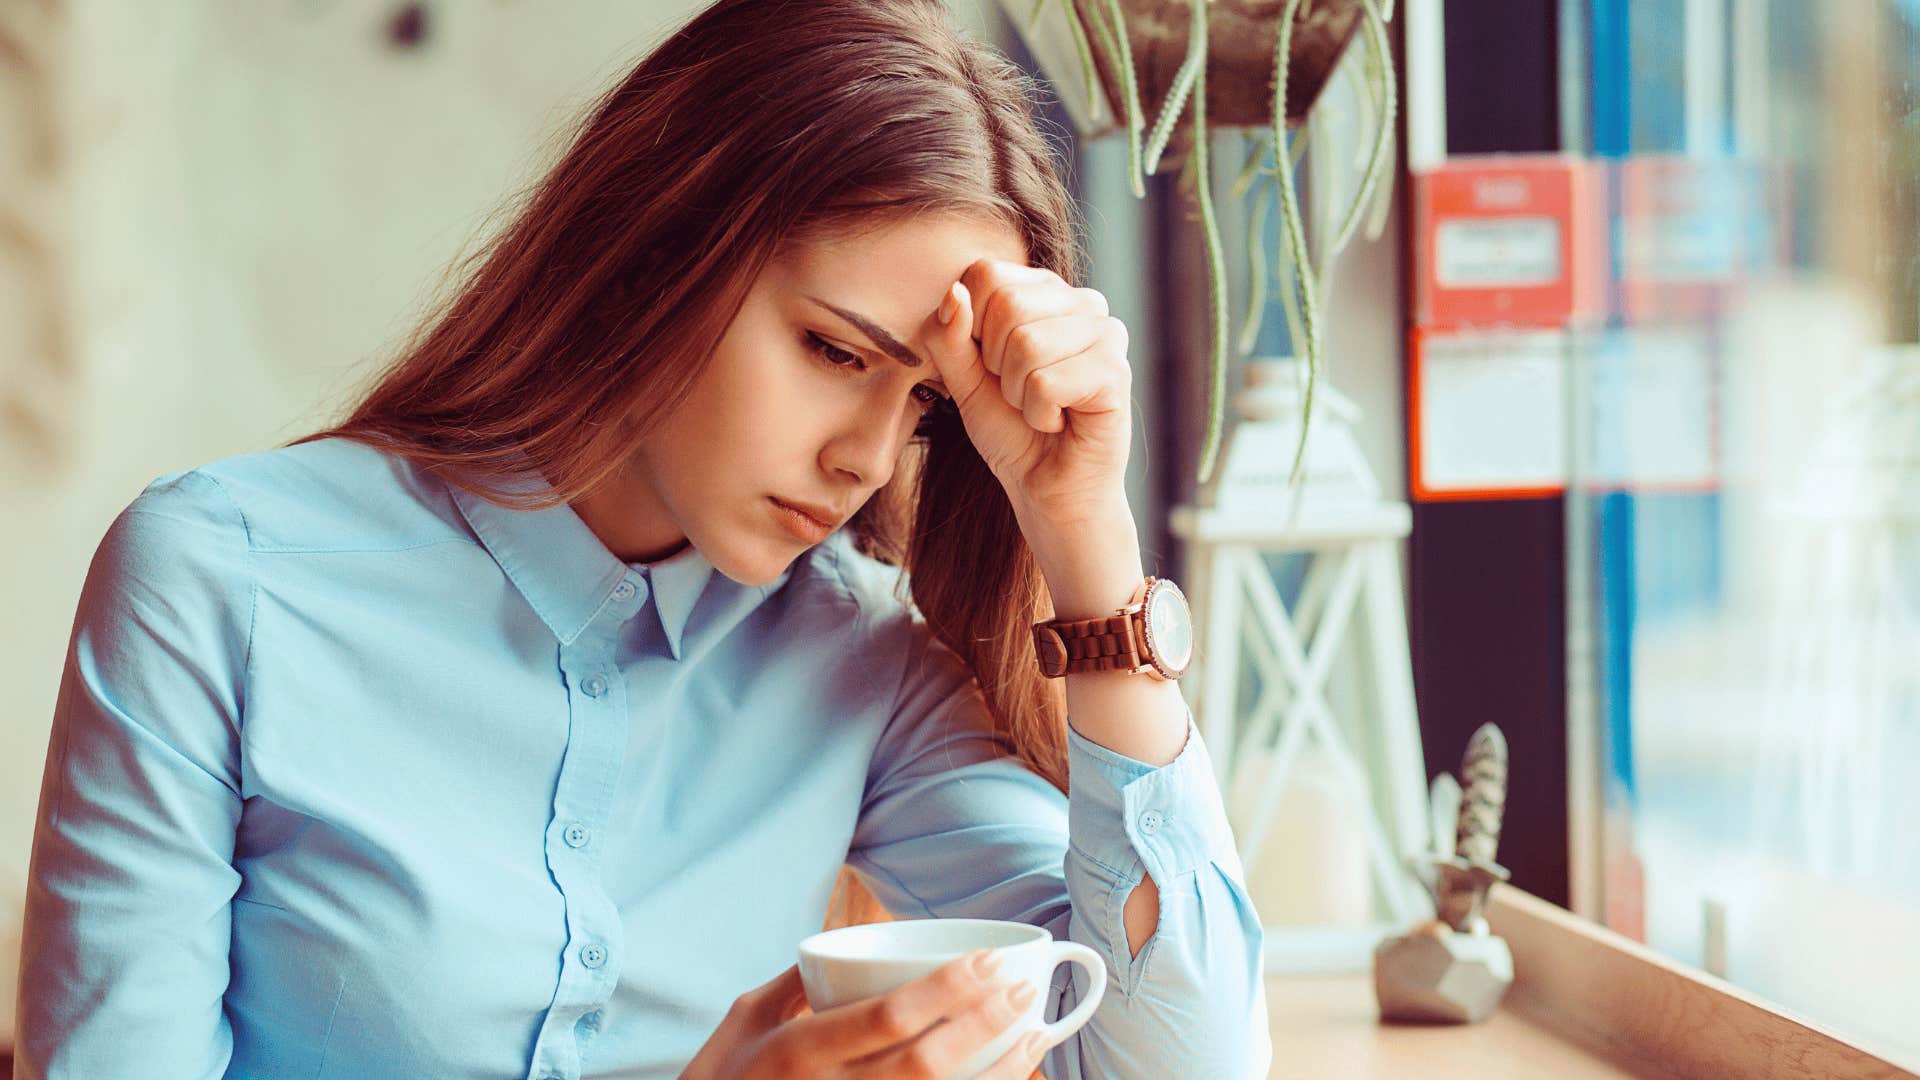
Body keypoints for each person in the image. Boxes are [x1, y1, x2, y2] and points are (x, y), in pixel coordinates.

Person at [14, 0, 1271, 1076]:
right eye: (835, 351)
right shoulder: (219, 581)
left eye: (925, 403)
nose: (869, 460)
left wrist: (1086, 532)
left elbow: (1175, 1059)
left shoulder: (862, 663)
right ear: (659, 245)